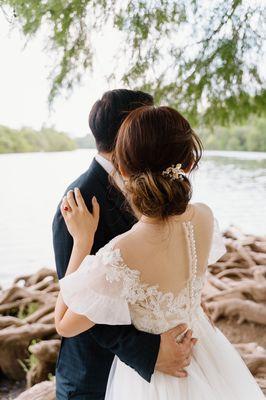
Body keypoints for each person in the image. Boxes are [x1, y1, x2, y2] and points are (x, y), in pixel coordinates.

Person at [54, 105, 265, 400]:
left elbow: (64, 323)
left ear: (122, 169)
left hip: (154, 384)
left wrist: (82, 241)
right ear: (188, 164)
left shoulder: (120, 252)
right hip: (203, 354)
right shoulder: (204, 217)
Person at [52, 91, 196, 400]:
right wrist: (150, 352)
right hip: (94, 378)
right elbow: (81, 298)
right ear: (124, 131)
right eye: (142, 122)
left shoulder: (154, 186)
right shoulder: (78, 201)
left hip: (151, 379)